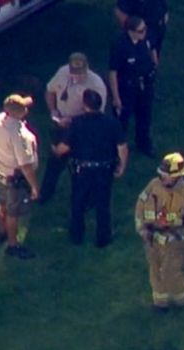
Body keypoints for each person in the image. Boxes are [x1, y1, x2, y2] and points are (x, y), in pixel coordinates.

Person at [54, 90, 128, 246]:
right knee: (103, 204)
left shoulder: (77, 123)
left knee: (78, 202)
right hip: (104, 169)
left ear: (84, 105)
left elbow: (64, 147)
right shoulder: (112, 122)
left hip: (82, 170)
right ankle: (103, 238)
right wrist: (122, 165)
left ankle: (76, 236)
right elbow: (122, 146)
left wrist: (55, 149)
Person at [134, 153, 184, 309]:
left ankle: (182, 298)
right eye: (161, 174)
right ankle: (160, 303)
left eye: (166, 175)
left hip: (176, 241)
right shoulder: (153, 185)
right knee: (155, 272)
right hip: (153, 239)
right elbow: (140, 204)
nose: (162, 177)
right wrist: (142, 229)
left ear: (177, 176)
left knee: (170, 272)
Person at [42, 53, 108, 204]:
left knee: (82, 167)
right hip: (60, 124)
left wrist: (72, 121)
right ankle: (45, 193)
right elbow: (50, 91)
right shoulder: (62, 72)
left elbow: (96, 114)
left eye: (80, 74)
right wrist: (53, 111)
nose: (76, 77)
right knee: (55, 161)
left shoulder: (96, 84)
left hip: (81, 130)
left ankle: (85, 200)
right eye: (74, 73)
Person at [0, 94, 40, 259]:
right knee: (13, 212)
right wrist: (34, 187)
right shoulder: (21, 136)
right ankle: (12, 244)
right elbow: (25, 165)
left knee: (1, 202)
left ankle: (2, 231)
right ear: (22, 112)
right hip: (13, 178)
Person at [109, 16, 158, 157]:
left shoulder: (146, 38)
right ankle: (117, 150)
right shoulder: (120, 46)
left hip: (145, 85)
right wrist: (116, 97)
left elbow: (152, 48)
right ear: (130, 31)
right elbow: (113, 72)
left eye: (145, 29)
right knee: (122, 120)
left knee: (145, 116)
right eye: (141, 30)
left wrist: (154, 65)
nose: (144, 32)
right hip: (127, 88)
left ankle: (143, 143)